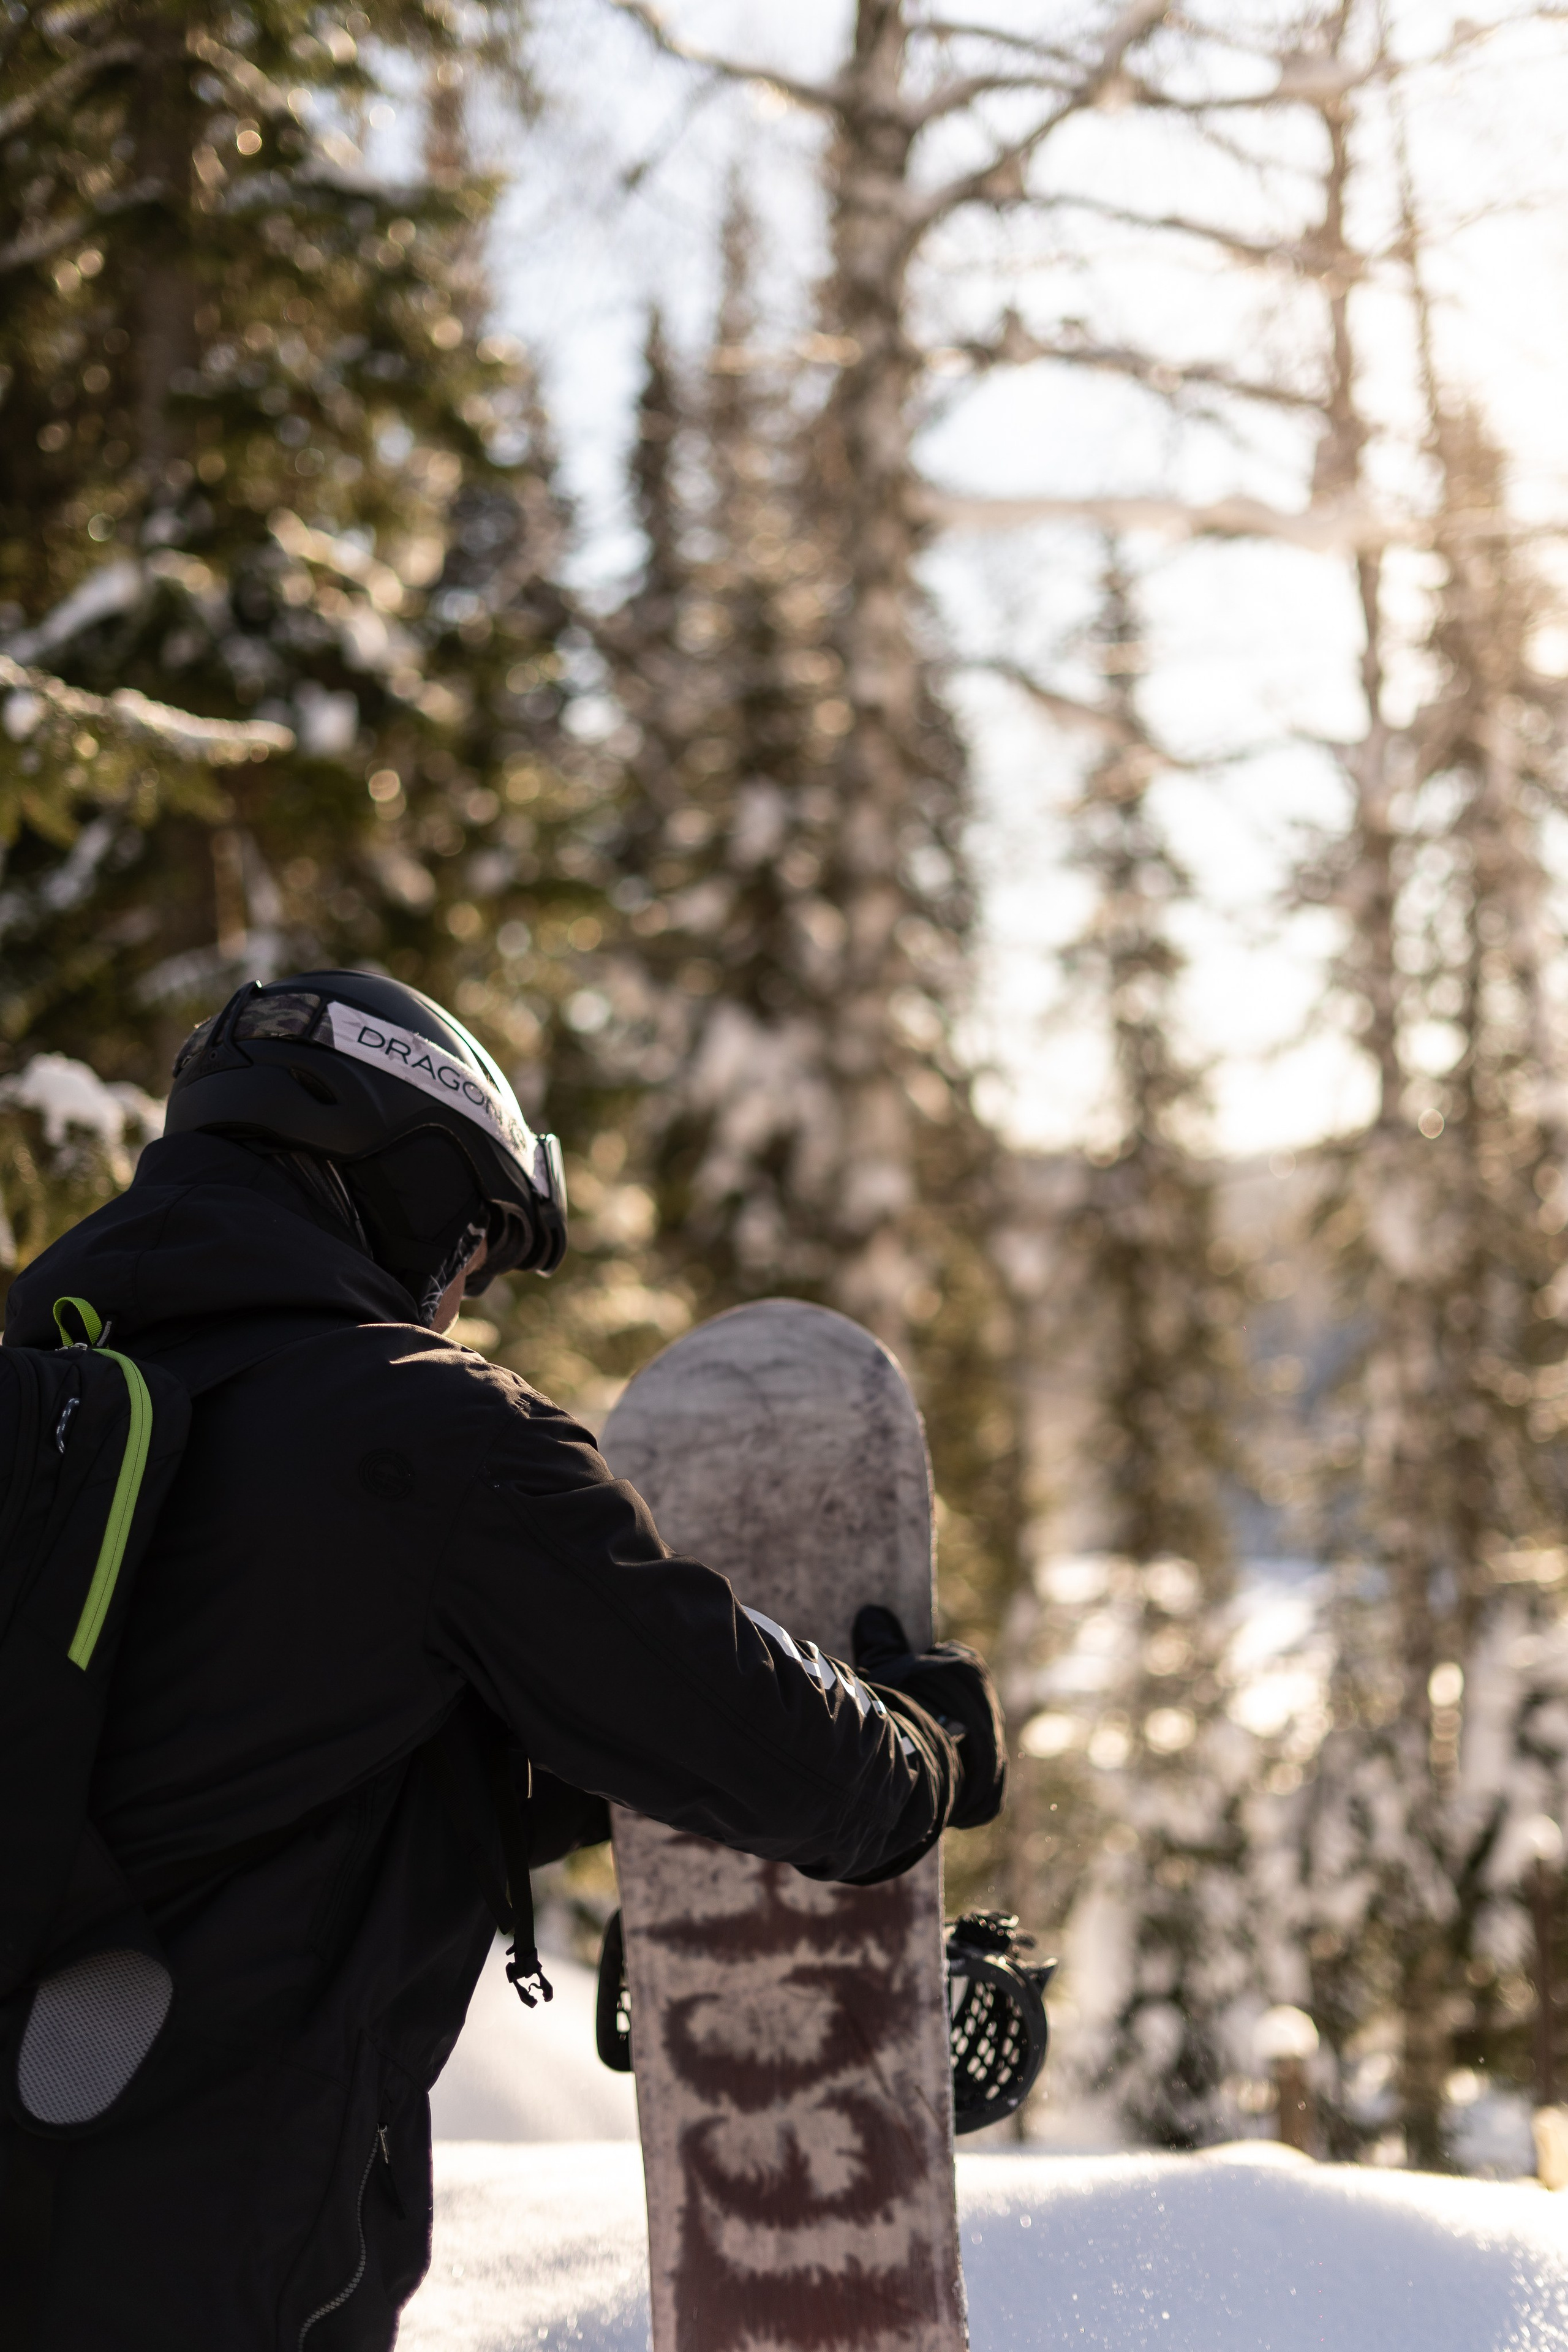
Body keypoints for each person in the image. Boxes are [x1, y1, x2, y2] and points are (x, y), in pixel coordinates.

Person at [0, 971, 1006, 2351]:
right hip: (201, 2259)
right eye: (474, 1243)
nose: (464, 1296)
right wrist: (923, 1752)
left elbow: (218, 1773)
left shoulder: (57, 1426)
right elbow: (781, 1757)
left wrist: (589, 1779)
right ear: (404, 1187)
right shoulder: (427, 1435)